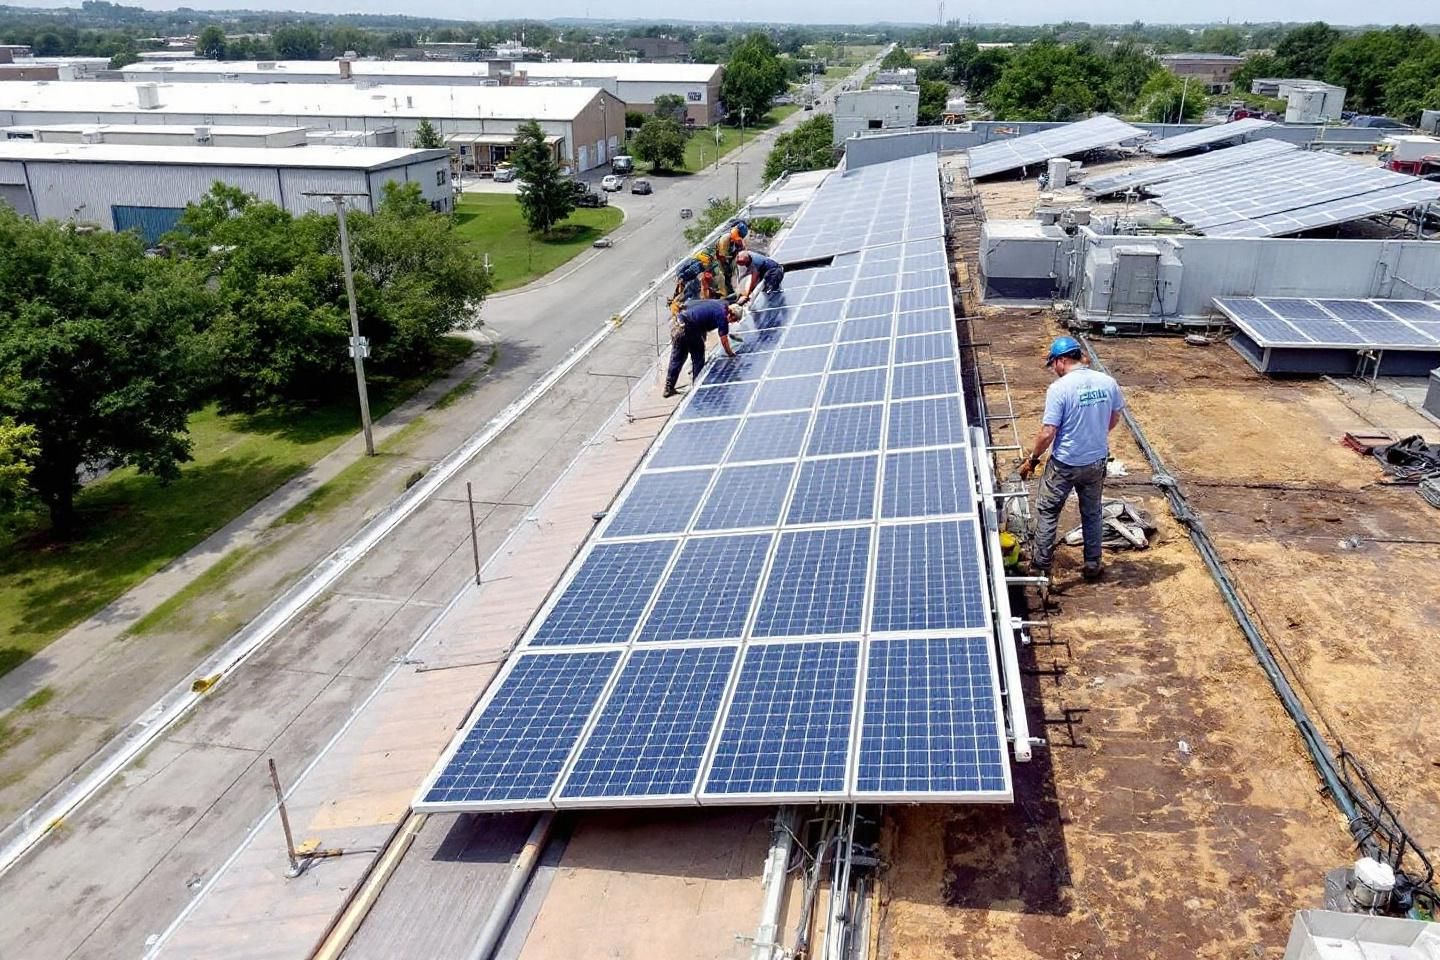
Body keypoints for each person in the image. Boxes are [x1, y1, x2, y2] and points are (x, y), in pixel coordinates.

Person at [1019, 336, 1125, 582]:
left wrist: (1033, 459)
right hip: (1096, 461)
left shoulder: (1060, 389)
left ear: (1062, 360)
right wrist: (1095, 435)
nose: (1053, 370)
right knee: (1091, 512)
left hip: (1065, 463)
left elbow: (1048, 432)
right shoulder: (1107, 382)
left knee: (1047, 511)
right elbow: (1115, 416)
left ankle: (1041, 566)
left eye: (1053, 364)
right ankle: (1092, 564)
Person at [665, 299, 742, 398]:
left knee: (678, 357)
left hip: (678, 324)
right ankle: (697, 386)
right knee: (698, 356)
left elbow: (698, 311)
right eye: (734, 320)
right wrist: (731, 354)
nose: (731, 322)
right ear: (732, 314)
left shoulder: (719, 304)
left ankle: (668, 387)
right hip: (690, 327)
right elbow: (724, 340)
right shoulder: (723, 316)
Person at [713, 220, 749, 298]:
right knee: (721, 276)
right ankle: (723, 295)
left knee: (736, 269)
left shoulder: (739, 240)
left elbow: (743, 250)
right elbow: (722, 257)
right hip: (718, 260)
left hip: (729, 258)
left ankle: (734, 287)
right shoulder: (725, 239)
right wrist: (728, 269)